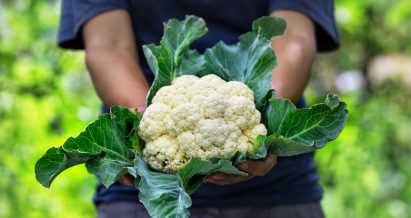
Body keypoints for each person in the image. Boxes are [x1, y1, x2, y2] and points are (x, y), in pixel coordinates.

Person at [58, 1, 339, 217]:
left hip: (277, 194)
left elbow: (293, 39)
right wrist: (145, 123)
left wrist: (263, 129)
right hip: (144, 196)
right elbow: (108, 45)